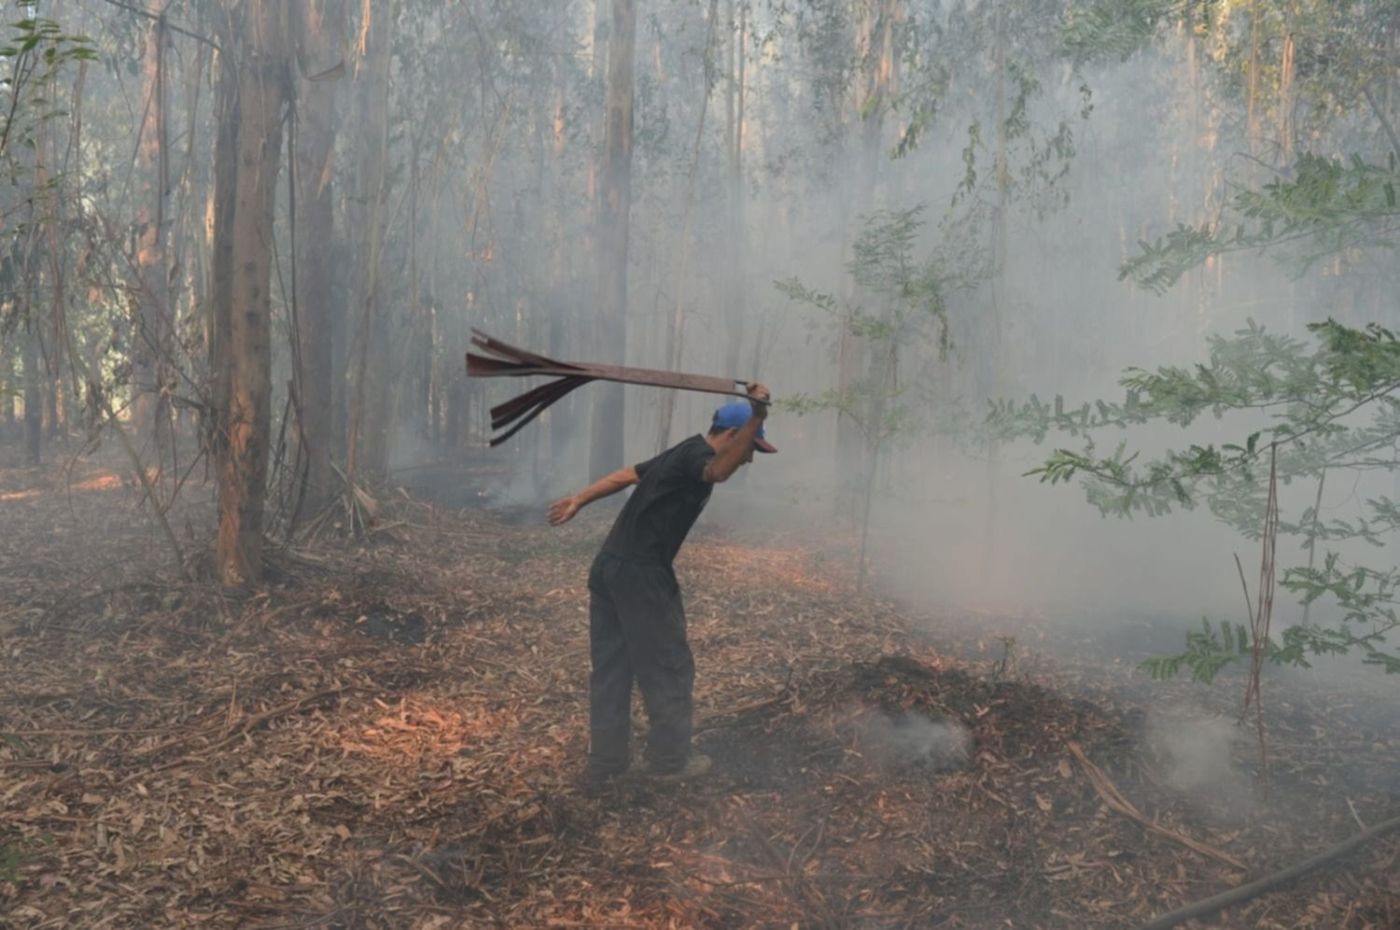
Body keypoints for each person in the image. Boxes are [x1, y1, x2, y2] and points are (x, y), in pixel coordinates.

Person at [547, 384, 775, 782]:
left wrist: (579, 499)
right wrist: (759, 414)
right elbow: (719, 470)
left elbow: (624, 476)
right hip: (640, 575)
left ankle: (607, 763)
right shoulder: (700, 459)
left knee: (612, 668)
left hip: (609, 566)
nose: (750, 460)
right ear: (732, 436)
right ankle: (669, 763)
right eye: (750, 448)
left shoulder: (680, 452)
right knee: (669, 666)